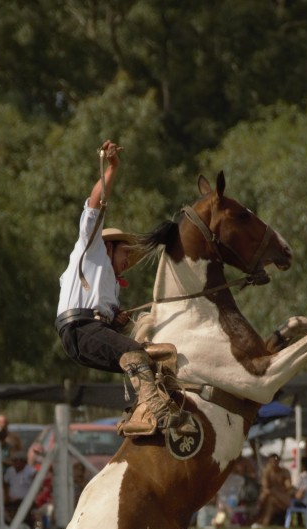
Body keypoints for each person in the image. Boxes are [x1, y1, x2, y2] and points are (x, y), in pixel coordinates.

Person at [54, 138, 195, 437]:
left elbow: (102, 319)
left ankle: (139, 415)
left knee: (157, 356)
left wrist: (113, 321)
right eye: (125, 252)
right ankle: (158, 413)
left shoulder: (107, 283)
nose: (128, 259)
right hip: (79, 330)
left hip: (84, 334)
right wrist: (112, 168)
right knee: (136, 354)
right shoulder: (90, 248)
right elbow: (95, 204)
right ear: (109, 246)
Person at [253, 453, 293, 527]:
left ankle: (263, 522)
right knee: (270, 500)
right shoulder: (267, 472)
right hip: (273, 498)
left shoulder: (284, 472)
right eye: (272, 462)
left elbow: (288, 486)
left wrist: (276, 490)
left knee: (269, 496)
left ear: (279, 461)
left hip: (283, 498)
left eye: (275, 461)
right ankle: (264, 522)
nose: (274, 463)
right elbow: (265, 487)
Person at [3, 451, 36, 523]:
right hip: (11, 501)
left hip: (25, 501)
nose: (15, 464)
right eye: (13, 461)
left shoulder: (30, 470)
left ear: (23, 461)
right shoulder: (10, 471)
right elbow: (5, 484)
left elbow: (36, 477)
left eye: (16, 461)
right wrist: (6, 497)